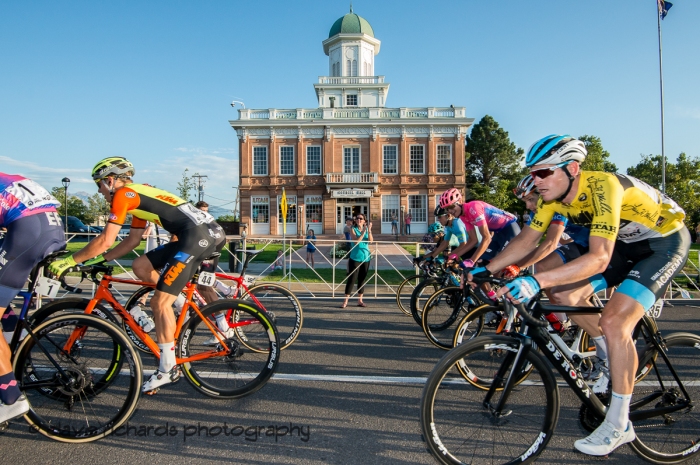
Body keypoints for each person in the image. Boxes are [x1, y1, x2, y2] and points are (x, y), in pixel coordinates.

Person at [468, 134, 690, 456]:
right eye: (532, 173)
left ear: (572, 168)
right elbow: (528, 239)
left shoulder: (603, 187)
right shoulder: (552, 199)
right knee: (563, 296)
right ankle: (604, 357)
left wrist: (535, 281)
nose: (536, 180)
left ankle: (618, 425)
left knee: (615, 321)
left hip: (663, 244)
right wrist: (485, 267)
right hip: (626, 247)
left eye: (543, 172)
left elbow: (599, 257)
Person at [49, 157, 225, 395]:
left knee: (158, 303)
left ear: (110, 181)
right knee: (141, 265)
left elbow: (106, 239)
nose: (100, 191)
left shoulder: (123, 196)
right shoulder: (136, 196)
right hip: (200, 233)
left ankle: (167, 368)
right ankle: (181, 303)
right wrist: (101, 259)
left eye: (99, 185)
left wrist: (70, 260)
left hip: (198, 237)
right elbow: (132, 241)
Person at [0, 173, 66, 423]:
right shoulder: (7, 178)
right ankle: (14, 346)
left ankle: (10, 398)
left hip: (29, 231)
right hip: (49, 227)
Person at [439, 189, 520, 267]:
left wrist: (471, 260)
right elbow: (473, 240)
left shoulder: (474, 207)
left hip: (510, 228)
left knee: (498, 265)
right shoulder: (463, 216)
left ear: (460, 201)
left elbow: (487, 238)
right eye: (447, 209)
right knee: (483, 264)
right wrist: (456, 255)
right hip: (498, 233)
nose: (450, 210)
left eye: (452, 206)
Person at [341, 214, 373, 308]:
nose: (358, 219)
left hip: (365, 257)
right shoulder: (352, 229)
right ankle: (345, 301)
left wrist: (369, 230)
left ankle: (360, 300)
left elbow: (370, 241)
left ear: (364, 221)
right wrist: (363, 232)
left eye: (361, 218)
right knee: (352, 279)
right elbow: (356, 241)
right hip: (355, 257)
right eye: (357, 218)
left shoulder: (366, 229)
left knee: (362, 279)